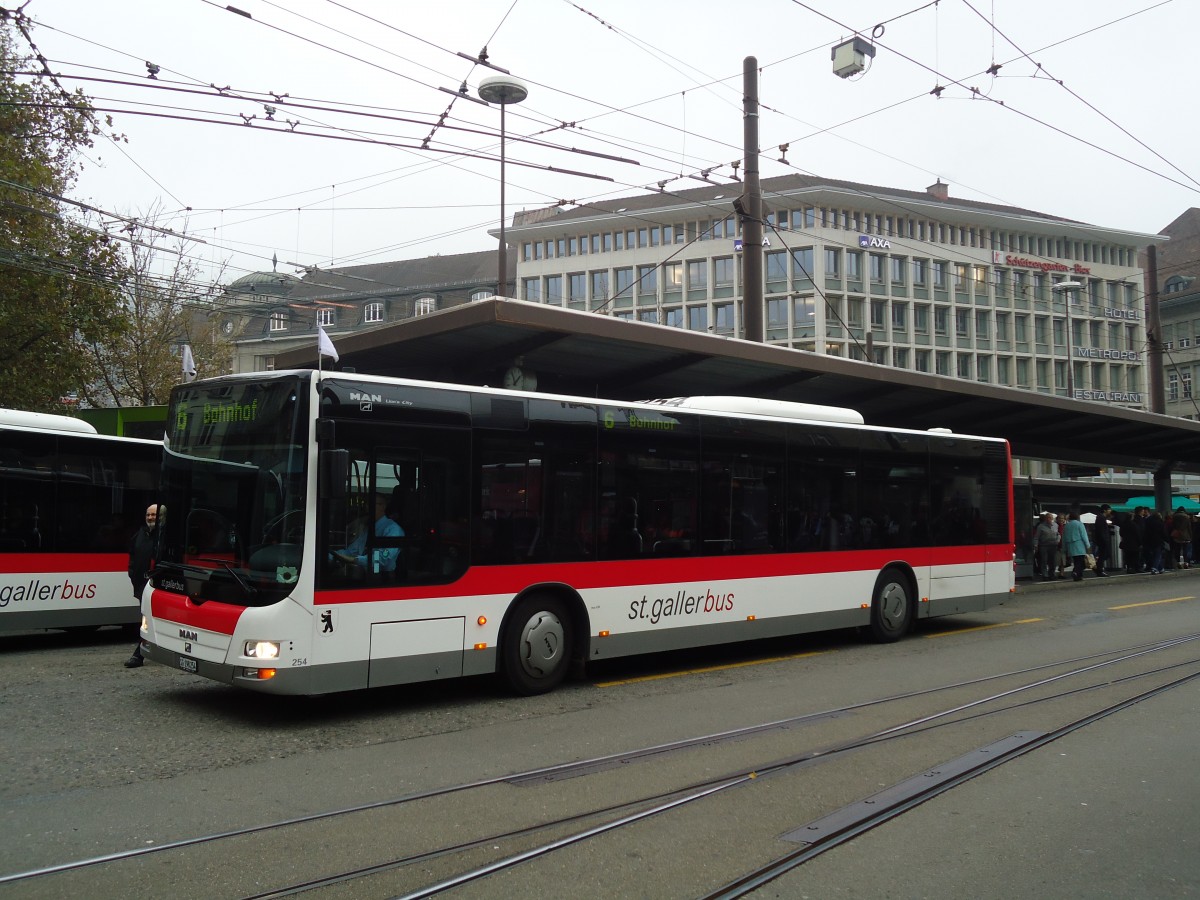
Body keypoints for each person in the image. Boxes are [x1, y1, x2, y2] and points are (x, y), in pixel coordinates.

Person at [124, 503, 160, 668]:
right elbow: (132, 556)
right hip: (142, 586)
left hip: (159, 586)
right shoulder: (140, 534)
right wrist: (133, 575)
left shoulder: (165, 536)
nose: (150, 518)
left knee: (148, 621)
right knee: (147, 620)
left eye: (154, 515)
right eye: (148, 515)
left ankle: (138, 655)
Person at [333, 493, 403, 573]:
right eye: (366, 504)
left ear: (383, 506)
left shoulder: (393, 530)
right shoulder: (369, 529)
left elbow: (383, 558)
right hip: (364, 572)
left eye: (371, 504)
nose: (367, 507)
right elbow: (351, 551)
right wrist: (332, 555)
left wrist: (356, 560)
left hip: (381, 575)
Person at [1063, 512, 1090, 581]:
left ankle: (1078, 575)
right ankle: (1076, 572)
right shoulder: (1079, 524)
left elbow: (1064, 537)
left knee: (1076, 561)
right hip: (1079, 545)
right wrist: (1087, 544)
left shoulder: (1066, 526)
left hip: (1070, 546)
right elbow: (1084, 535)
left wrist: (1064, 547)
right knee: (1081, 561)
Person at [1033, 512, 1060, 581]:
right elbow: (1036, 537)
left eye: (1050, 518)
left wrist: (1058, 540)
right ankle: (1045, 575)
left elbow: (1058, 534)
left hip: (1053, 545)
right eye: (1048, 518)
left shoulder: (1055, 525)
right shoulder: (1041, 526)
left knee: (1053, 561)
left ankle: (1052, 574)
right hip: (1044, 545)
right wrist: (1036, 545)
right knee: (1044, 561)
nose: (1049, 519)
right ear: (1045, 519)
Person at [1119, 507, 1145, 573]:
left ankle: (1129, 568)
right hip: (1134, 543)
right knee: (1135, 556)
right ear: (1131, 517)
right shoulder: (1134, 525)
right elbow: (1137, 534)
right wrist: (1140, 543)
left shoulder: (1123, 524)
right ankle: (1135, 568)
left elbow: (1121, 533)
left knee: (1128, 556)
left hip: (1126, 542)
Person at [1091, 504, 1114, 577]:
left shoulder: (1101, 518)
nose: (1110, 511)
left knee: (1104, 555)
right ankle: (1099, 569)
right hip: (1102, 540)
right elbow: (1101, 531)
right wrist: (1104, 540)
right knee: (1103, 555)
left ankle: (1098, 568)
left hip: (1102, 540)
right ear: (1104, 510)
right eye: (1109, 509)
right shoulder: (1101, 518)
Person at [1143, 509, 1166, 575]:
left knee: (1154, 555)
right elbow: (1163, 533)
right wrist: (1167, 540)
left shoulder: (1147, 522)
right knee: (1158, 555)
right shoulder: (1160, 523)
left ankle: (1161, 568)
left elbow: (1145, 532)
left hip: (1149, 541)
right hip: (1158, 541)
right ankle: (1154, 568)